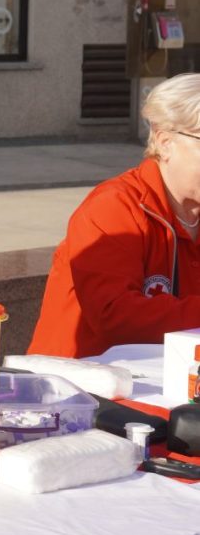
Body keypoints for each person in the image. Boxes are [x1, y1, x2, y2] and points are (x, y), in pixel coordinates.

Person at [29, 73, 200, 358]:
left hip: (166, 374)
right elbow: (115, 315)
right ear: (165, 142)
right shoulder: (114, 206)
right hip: (80, 379)